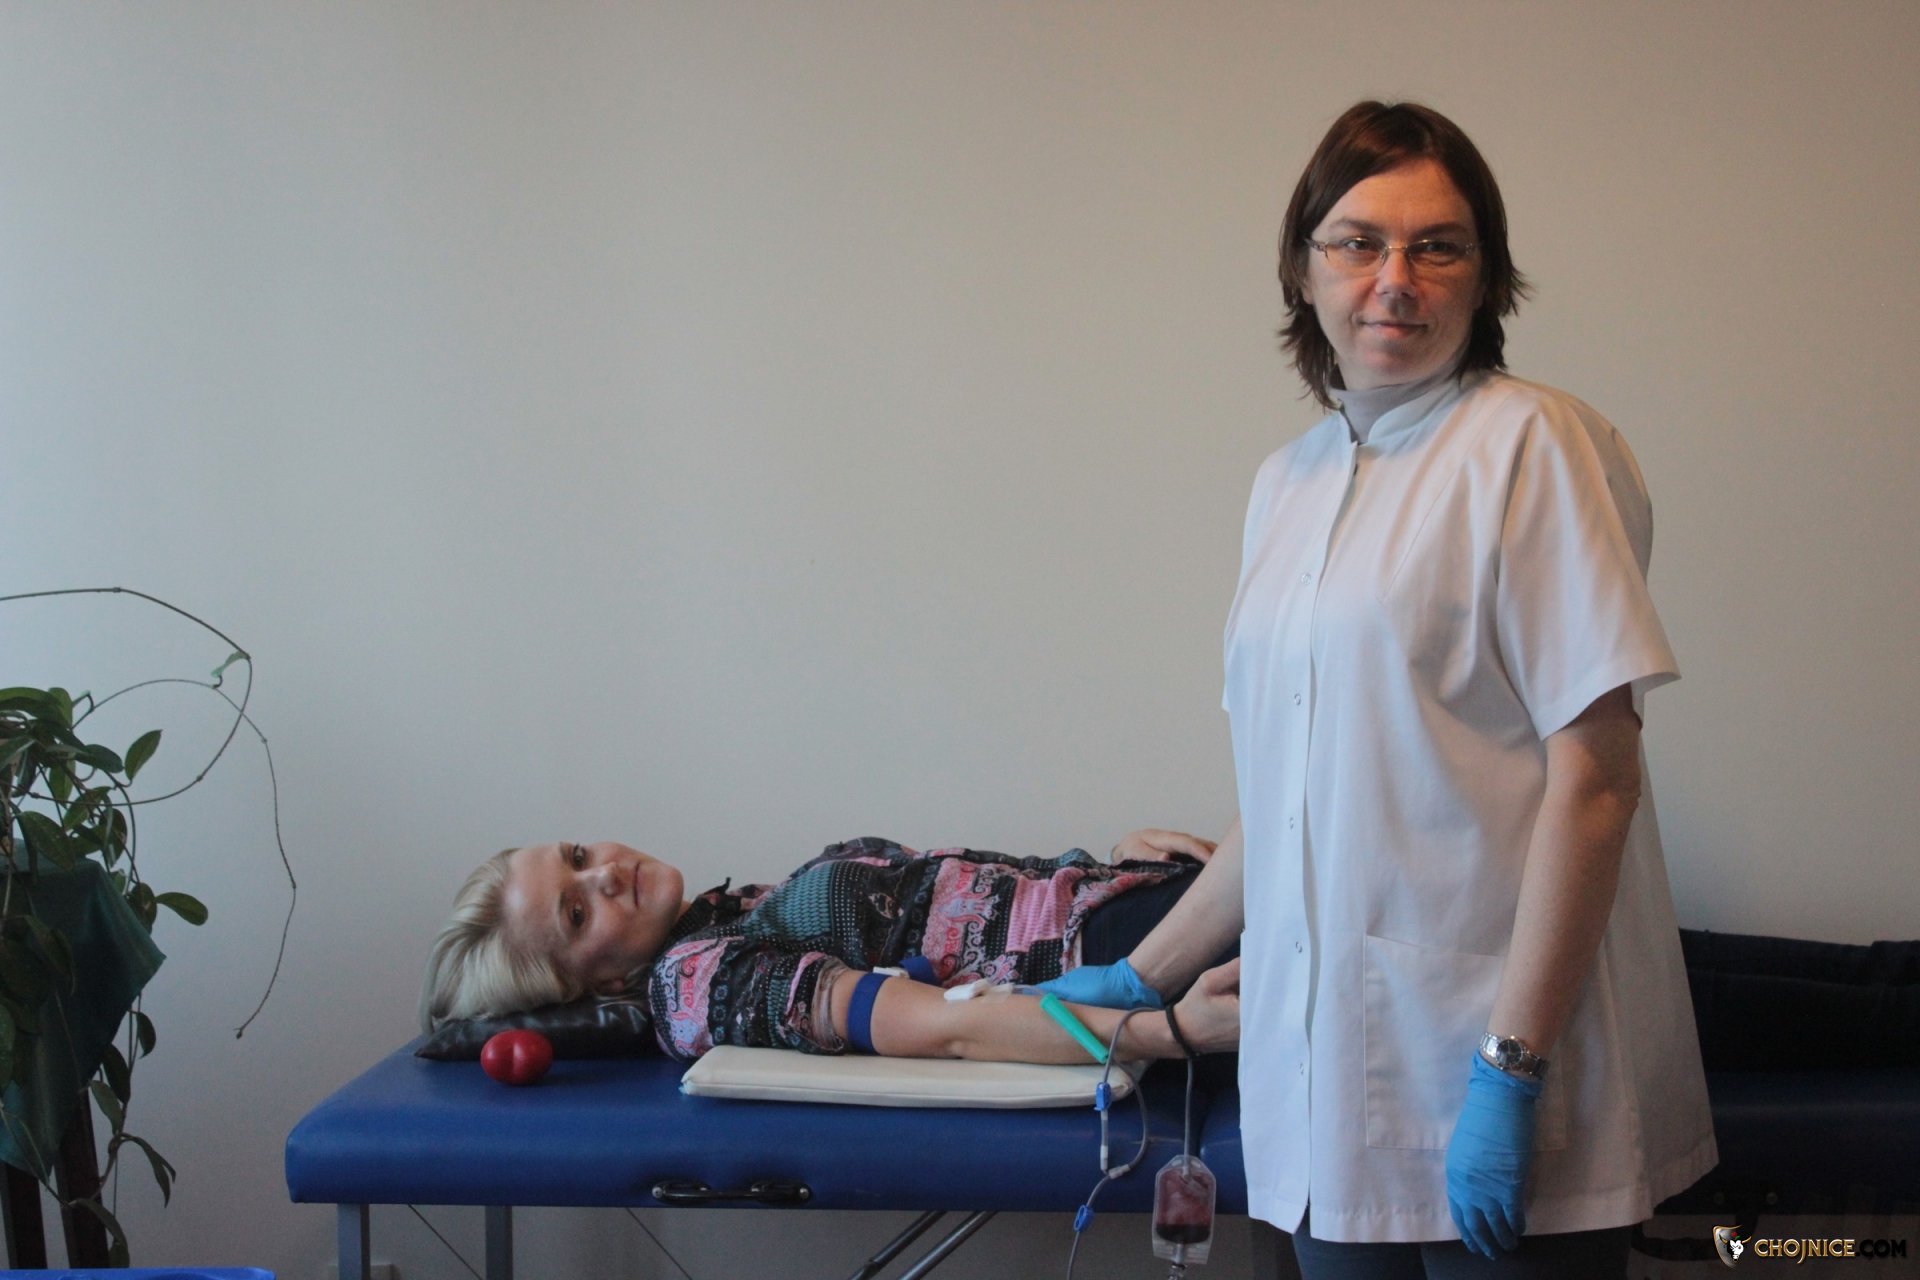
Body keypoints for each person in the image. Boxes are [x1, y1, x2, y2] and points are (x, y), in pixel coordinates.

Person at [1041, 100, 1716, 1276]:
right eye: (1358, 242)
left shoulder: (1534, 442)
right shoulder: (1288, 482)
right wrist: (1147, 970)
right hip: (1322, 1084)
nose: (1395, 278)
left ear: (1484, 275)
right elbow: (1291, 793)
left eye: (1436, 245)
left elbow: (1598, 780)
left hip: (1499, 1055)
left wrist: (1512, 1067)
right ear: (1304, 268)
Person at [420, 835, 1239, 1067]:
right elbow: (948, 1026)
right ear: (593, 986)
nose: (602, 872)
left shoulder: (726, 916)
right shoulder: (695, 984)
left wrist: (1111, 863)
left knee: (1301, 791)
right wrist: (1170, 1033)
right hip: (1124, 973)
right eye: (575, 912)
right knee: (1299, 773)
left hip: (1125, 911)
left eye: (575, 856)